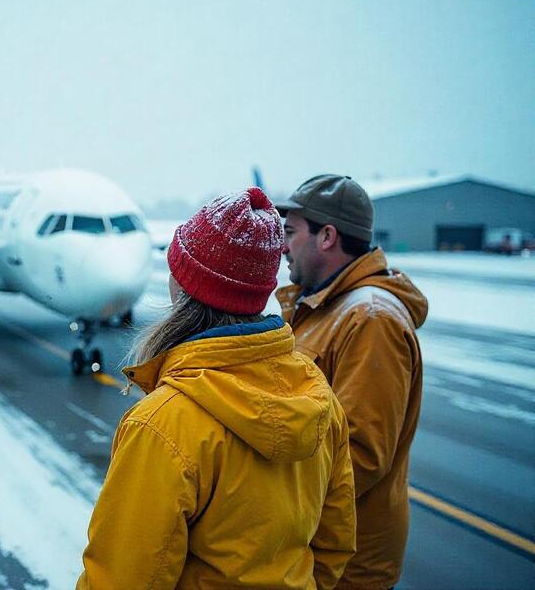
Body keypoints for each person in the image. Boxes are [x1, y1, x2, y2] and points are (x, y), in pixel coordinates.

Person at [77, 187, 356, 590]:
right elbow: (335, 544)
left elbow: (122, 578)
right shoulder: (316, 394)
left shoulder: (163, 424)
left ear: (185, 287)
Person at [275, 175, 428, 590]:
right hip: (314, 547)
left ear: (327, 236)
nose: (281, 245)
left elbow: (360, 455)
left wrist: (266, 500)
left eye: (290, 232)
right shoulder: (323, 306)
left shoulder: (370, 320)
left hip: (345, 563)